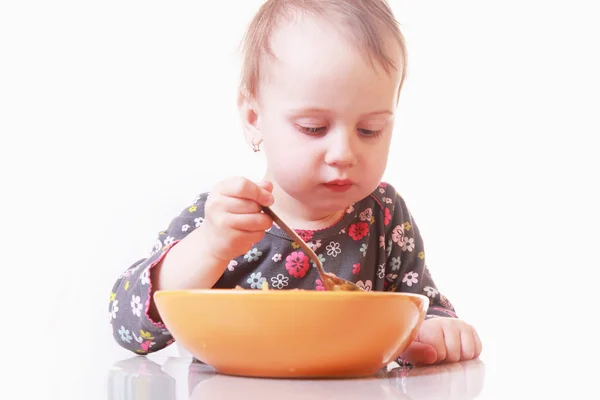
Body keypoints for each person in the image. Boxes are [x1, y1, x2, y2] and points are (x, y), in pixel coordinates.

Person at [108, 0, 482, 366]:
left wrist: (434, 331)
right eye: (313, 128)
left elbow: (421, 303)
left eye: (370, 130)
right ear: (255, 118)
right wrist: (209, 248)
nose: (343, 153)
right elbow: (128, 329)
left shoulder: (385, 217)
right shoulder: (222, 220)